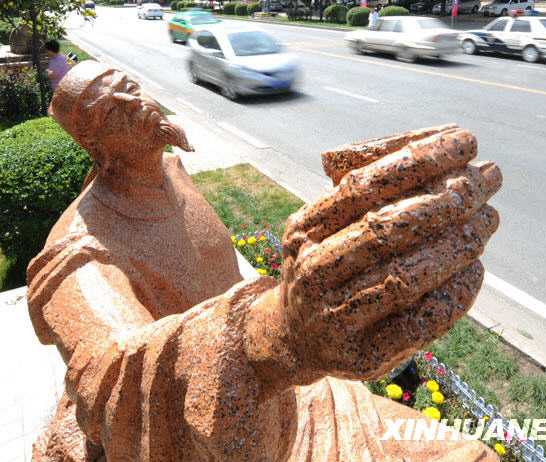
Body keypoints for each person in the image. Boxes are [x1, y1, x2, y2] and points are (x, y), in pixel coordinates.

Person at [28, 61, 501, 462]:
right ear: (94, 142)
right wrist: (276, 334)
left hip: (294, 393)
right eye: (112, 110)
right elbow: (109, 376)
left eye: (129, 88)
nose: (134, 105)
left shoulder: (172, 172)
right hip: (229, 425)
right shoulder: (76, 251)